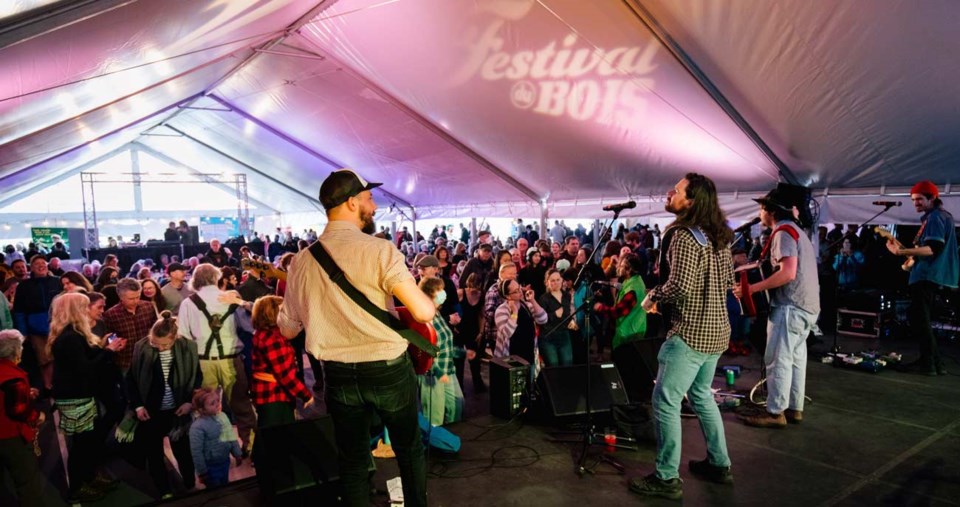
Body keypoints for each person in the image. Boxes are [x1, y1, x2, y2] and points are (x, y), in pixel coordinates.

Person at [278, 169, 435, 507]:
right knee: (408, 451)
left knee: (351, 460)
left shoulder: (302, 261)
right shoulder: (381, 251)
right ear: (351, 202)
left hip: (338, 374)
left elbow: (288, 329)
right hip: (388, 370)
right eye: (368, 198)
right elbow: (423, 312)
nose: (374, 206)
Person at [630, 174, 735, 499]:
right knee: (702, 395)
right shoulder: (719, 236)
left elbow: (680, 286)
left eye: (675, 190)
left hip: (690, 333)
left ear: (690, 201)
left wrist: (652, 297)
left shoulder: (685, 237)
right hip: (717, 331)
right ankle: (719, 464)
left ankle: (666, 478)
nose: (669, 192)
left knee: (665, 400)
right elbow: (729, 282)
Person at [739, 187, 820, 429]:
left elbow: (787, 273)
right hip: (806, 307)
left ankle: (775, 413)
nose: (759, 212)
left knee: (778, 359)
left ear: (771, 210)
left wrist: (752, 289)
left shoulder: (783, 233)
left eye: (761, 207)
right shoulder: (797, 231)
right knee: (795, 359)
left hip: (789, 306)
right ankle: (794, 409)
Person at [49, 293, 127, 503]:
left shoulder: (73, 334)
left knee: (88, 442)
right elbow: (86, 370)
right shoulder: (70, 337)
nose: (91, 311)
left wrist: (102, 348)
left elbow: (84, 363)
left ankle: (90, 478)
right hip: (75, 397)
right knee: (81, 445)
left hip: (80, 395)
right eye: (85, 307)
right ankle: (77, 488)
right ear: (76, 310)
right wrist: (108, 351)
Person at [178, 264, 257, 454]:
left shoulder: (188, 303)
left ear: (195, 280)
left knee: (204, 410)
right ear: (217, 277)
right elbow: (250, 325)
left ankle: (213, 451)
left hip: (204, 362)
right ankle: (252, 447)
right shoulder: (231, 298)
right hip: (232, 359)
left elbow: (184, 337)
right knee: (243, 406)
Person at [123, 311, 200, 499]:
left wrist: (190, 402)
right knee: (154, 453)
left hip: (178, 411)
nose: (159, 348)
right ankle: (164, 489)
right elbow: (132, 379)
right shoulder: (141, 347)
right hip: (151, 411)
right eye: (154, 343)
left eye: (164, 344)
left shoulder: (188, 347)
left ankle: (190, 484)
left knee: (183, 450)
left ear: (175, 338)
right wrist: (138, 406)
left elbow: (196, 376)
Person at [887, 180, 958, 376]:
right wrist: (910, 261)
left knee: (919, 320)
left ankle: (928, 364)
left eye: (919, 199)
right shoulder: (941, 217)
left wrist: (902, 252)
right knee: (922, 320)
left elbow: (933, 249)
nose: (915, 203)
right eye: (913, 200)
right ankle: (936, 364)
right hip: (931, 275)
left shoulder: (935, 217)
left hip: (928, 276)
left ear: (932, 198)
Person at [0, 329, 63, 507]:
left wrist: (24, 393)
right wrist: (38, 415)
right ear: (15, 351)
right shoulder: (13, 376)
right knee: (27, 482)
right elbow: (18, 410)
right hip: (10, 436)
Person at [250, 296, 313, 428]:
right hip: (275, 396)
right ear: (273, 314)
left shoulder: (263, 334)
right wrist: (306, 395)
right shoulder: (273, 339)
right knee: (280, 438)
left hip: (266, 395)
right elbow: (285, 374)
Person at [417, 277, 463, 426]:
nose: (444, 293)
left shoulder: (436, 313)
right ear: (429, 294)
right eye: (439, 290)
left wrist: (461, 353)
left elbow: (444, 344)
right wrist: (438, 372)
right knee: (434, 417)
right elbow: (424, 351)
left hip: (448, 370)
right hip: (432, 375)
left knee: (457, 406)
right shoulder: (423, 317)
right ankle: (435, 446)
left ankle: (449, 442)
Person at [12, 255, 62, 392]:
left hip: (58, 326)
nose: (41, 265)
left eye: (43, 263)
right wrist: (23, 332)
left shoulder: (57, 282)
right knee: (44, 359)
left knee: (60, 356)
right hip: (36, 329)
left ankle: (60, 383)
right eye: (37, 264)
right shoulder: (24, 286)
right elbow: (19, 311)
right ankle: (48, 386)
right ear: (31, 268)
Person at [189, 387, 242, 488]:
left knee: (225, 484)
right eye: (212, 403)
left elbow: (230, 436)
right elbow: (196, 452)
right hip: (210, 467)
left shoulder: (223, 416)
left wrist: (237, 453)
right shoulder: (197, 427)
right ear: (201, 409)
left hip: (225, 461)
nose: (217, 404)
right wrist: (202, 472)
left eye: (218, 400)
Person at [494, 279, 547, 365]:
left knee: (530, 377)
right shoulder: (501, 310)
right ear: (507, 296)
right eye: (516, 291)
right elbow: (507, 333)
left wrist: (532, 300)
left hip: (529, 353)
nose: (520, 292)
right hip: (511, 356)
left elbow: (543, 319)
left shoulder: (527, 305)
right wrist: (514, 312)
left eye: (519, 288)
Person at [538, 269, 576, 366]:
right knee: (553, 367)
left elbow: (568, 314)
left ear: (562, 280)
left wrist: (571, 321)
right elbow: (539, 320)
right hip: (548, 337)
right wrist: (554, 314)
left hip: (564, 335)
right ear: (547, 283)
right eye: (552, 280)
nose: (556, 283)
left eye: (558, 280)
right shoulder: (543, 299)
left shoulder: (567, 296)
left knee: (567, 365)